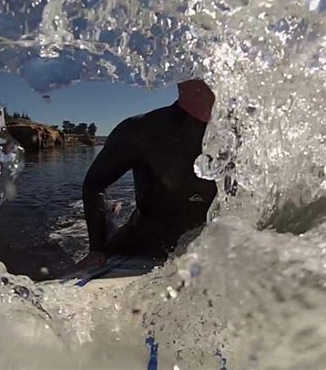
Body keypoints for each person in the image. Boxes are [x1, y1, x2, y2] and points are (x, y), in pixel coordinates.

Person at [74, 79, 218, 271]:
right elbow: (94, 184)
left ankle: (112, 212)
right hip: (143, 245)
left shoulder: (244, 134)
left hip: (210, 245)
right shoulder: (139, 129)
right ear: (180, 79)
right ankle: (110, 216)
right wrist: (96, 250)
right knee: (114, 233)